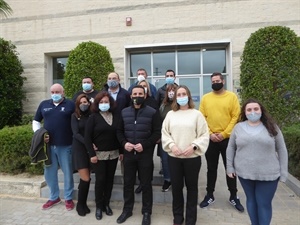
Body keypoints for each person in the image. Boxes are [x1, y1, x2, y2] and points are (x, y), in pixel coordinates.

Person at [227, 98, 288, 225]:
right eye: (249, 109)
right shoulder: (238, 128)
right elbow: (231, 147)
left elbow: (281, 149)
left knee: (263, 203)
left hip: (269, 174)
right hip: (245, 173)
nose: (252, 112)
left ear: (261, 110)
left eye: (256, 109)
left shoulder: (271, 127)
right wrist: (230, 167)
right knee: (251, 200)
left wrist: (284, 172)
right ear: (245, 112)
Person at [162, 85, 209, 225]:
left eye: (184, 94)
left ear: (188, 96)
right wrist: (172, 146)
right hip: (174, 158)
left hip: (192, 159)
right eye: (179, 94)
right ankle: (177, 218)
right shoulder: (170, 114)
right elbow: (165, 133)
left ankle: (190, 220)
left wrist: (194, 146)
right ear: (175, 98)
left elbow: (204, 134)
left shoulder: (197, 114)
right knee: (176, 189)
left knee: (192, 189)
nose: (181, 96)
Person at [199, 72, 244, 212]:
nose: (215, 83)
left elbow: (235, 116)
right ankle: (210, 194)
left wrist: (224, 134)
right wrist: (211, 134)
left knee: (230, 168)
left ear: (223, 81)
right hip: (211, 139)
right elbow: (202, 118)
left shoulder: (232, 97)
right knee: (211, 168)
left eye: (218, 80)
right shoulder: (205, 98)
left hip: (228, 139)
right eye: (213, 81)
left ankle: (233, 196)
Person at [116, 85, 161, 225]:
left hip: (145, 155)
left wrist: (145, 145)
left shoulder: (153, 112)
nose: (137, 96)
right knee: (128, 184)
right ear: (130, 96)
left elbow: (157, 133)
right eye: (134, 93)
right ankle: (127, 210)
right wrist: (124, 144)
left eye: (140, 93)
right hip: (129, 154)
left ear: (145, 95)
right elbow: (119, 131)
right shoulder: (123, 112)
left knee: (146, 184)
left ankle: (146, 212)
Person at [32, 83, 75, 211]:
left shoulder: (71, 105)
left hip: (66, 145)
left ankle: (68, 198)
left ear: (63, 92)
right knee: (49, 172)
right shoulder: (44, 104)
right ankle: (54, 197)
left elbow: (78, 121)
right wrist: (39, 134)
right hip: (48, 147)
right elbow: (36, 121)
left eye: (57, 92)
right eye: (53, 92)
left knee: (67, 172)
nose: (55, 94)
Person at [84, 91, 122, 220]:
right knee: (100, 180)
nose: (104, 104)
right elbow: (87, 138)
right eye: (101, 102)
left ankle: (107, 204)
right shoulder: (93, 117)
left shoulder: (116, 116)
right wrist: (91, 154)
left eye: (106, 102)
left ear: (110, 103)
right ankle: (99, 206)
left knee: (110, 180)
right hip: (98, 156)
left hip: (114, 154)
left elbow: (119, 134)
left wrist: (121, 152)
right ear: (97, 104)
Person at [134, 79, 159, 194]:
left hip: (149, 138)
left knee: (148, 161)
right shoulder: (133, 102)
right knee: (138, 162)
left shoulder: (153, 101)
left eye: (144, 86)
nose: (142, 88)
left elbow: (157, 118)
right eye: (140, 86)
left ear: (147, 89)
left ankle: (147, 181)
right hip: (136, 137)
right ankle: (141, 183)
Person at [71, 94, 91, 216]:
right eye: (81, 102)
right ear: (78, 104)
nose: (84, 104)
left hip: (90, 150)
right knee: (85, 178)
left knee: (88, 178)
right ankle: (80, 204)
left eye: (86, 102)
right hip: (79, 149)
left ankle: (84, 204)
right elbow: (76, 134)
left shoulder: (92, 115)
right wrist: (88, 143)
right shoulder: (74, 116)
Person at [158, 84, 177, 192]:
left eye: (173, 90)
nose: (171, 92)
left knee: (175, 159)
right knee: (165, 160)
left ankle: (177, 179)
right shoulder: (163, 105)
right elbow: (159, 119)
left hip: (177, 137)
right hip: (164, 137)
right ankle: (167, 180)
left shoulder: (179, 105)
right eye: (169, 90)